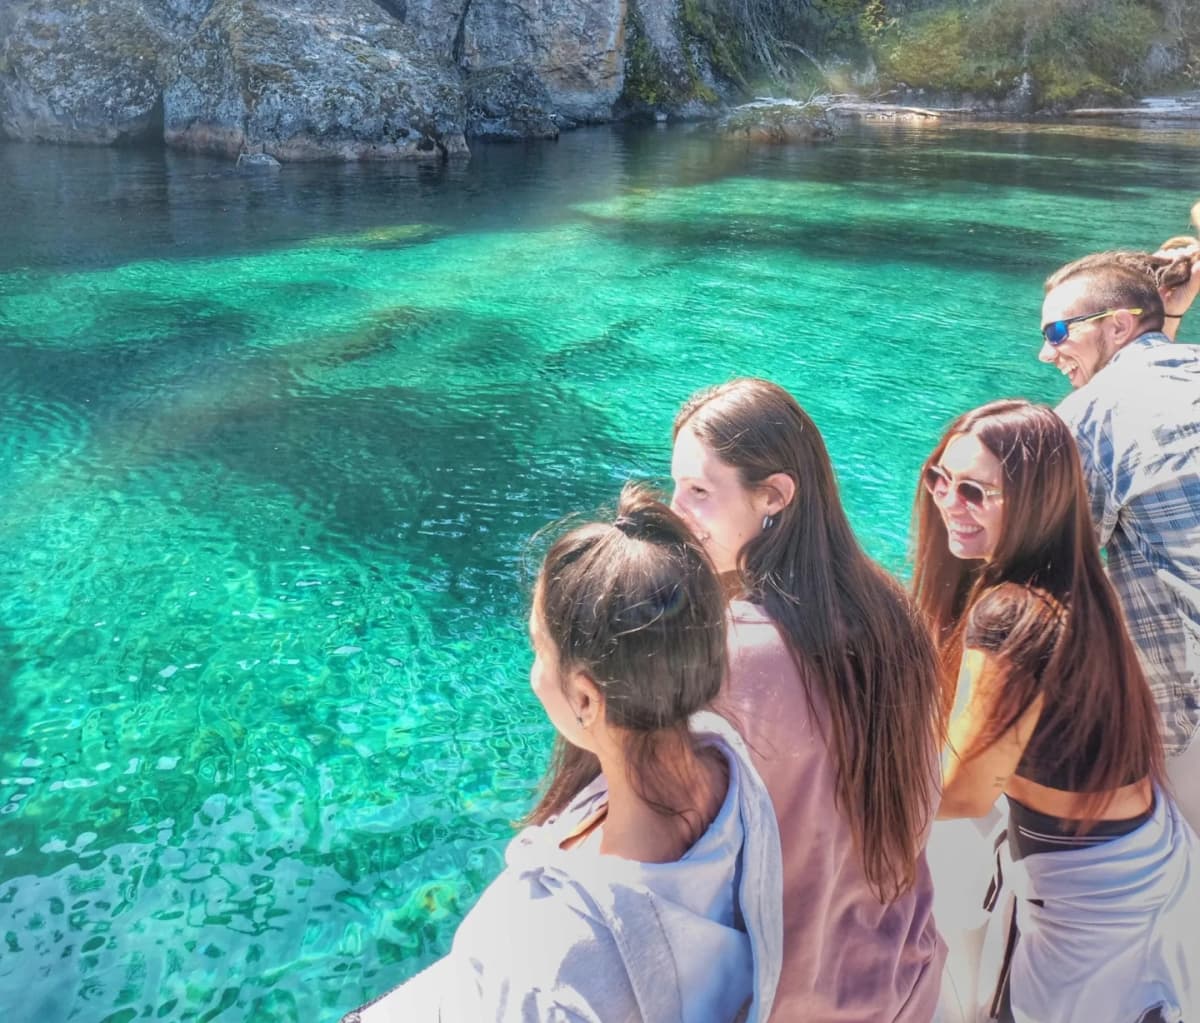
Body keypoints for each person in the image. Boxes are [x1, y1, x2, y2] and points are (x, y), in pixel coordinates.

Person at [342, 484, 783, 1023]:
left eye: (538, 648)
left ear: (585, 697)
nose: (534, 675)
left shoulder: (552, 966)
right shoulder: (733, 778)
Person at [668, 378, 948, 1022]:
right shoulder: (889, 609)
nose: (673, 508)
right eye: (677, 485)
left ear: (774, 496)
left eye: (699, 491)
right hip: (898, 970)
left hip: (794, 994)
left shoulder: (733, 655)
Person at [913, 398, 1200, 1023]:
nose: (948, 503)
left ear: (1036, 500)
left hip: (1092, 892)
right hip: (1136, 854)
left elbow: (961, 794)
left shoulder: (1011, 613)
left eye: (975, 491)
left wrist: (836, 790)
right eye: (940, 477)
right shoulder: (1075, 581)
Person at [1037, 252, 1200, 829]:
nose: (1046, 352)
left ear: (1118, 326)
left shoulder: (1085, 418)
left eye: (1057, 332)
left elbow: (1049, 571)